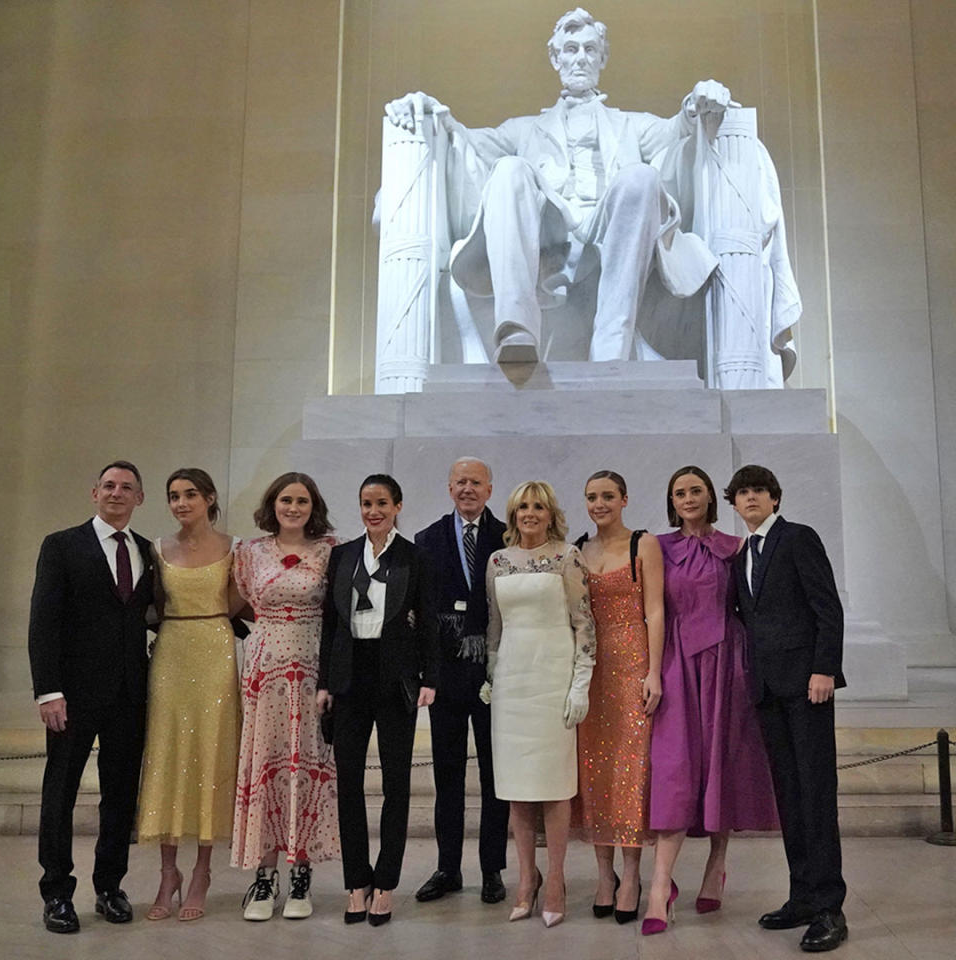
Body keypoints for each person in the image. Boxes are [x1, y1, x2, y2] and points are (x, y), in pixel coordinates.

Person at [384, 8, 732, 363]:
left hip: (610, 231)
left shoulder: (632, 125)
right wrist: (430, 114)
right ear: (555, 58)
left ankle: (611, 346)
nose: (580, 58)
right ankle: (516, 330)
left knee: (640, 176)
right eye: (570, 49)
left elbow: (677, 133)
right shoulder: (523, 130)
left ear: (603, 58)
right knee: (507, 169)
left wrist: (696, 105)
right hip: (548, 236)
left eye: (590, 49)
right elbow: (465, 141)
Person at [643, 466, 777, 936]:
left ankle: (716, 864)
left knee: (723, 764)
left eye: (696, 490)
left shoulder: (733, 548)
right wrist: (654, 670)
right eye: (679, 492)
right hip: (678, 664)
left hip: (727, 665)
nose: (688, 497)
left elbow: (752, 609)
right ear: (671, 500)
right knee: (676, 769)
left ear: (710, 497)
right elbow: (654, 610)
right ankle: (660, 886)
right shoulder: (656, 546)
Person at [28, 460, 154, 933]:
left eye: (126, 488)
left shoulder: (146, 551)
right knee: (59, 794)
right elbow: (43, 623)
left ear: (139, 499)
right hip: (72, 696)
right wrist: (49, 691)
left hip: (129, 696)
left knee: (120, 796)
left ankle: (109, 886)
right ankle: (57, 893)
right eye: (108, 485)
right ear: (93, 493)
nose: (116, 493)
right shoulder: (62, 545)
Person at [726, 465, 847, 953]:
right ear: (734, 504)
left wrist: (824, 670)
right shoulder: (741, 557)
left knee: (817, 797)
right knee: (791, 799)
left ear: (774, 498)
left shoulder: (799, 538)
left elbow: (827, 608)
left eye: (759, 490)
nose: (750, 498)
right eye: (742, 493)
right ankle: (801, 897)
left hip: (807, 687)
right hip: (768, 691)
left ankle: (829, 909)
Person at [318, 474, 439, 926]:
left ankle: (386, 882)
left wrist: (431, 677)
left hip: (395, 681)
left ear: (398, 506)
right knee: (347, 783)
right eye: (367, 503)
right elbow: (331, 624)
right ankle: (357, 881)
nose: (374, 511)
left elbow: (428, 621)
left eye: (382, 503)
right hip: (349, 679)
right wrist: (324, 683)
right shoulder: (343, 555)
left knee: (396, 785)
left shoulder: (416, 557)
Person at [485, 481, 595, 927]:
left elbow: (584, 624)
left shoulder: (568, 556)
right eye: (522, 506)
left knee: (553, 786)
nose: (530, 513)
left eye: (538, 506)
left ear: (551, 513)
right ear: (513, 514)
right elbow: (495, 627)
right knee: (516, 791)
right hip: (512, 683)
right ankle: (525, 881)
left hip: (553, 679)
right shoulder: (498, 561)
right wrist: (491, 676)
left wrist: (579, 685)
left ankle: (556, 882)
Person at [231, 472, 340, 920]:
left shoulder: (331, 550)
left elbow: (339, 615)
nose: (293, 508)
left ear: (313, 505)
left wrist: (334, 678)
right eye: (285, 500)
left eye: (301, 501)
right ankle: (263, 876)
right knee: (266, 765)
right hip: (265, 670)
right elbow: (239, 604)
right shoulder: (249, 553)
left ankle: (301, 874)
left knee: (305, 766)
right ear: (272, 504)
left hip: (313, 667)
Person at [136, 468, 241, 921]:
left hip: (216, 651)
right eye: (173, 496)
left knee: (210, 754)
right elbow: (150, 606)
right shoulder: (156, 549)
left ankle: (201, 871)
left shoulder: (235, 547)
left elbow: (239, 602)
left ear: (210, 498)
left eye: (190, 494)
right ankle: (167, 872)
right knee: (168, 754)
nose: (181, 503)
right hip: (172, 653)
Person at [413, 458, 509, 905]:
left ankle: (492, 869)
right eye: (460, 482)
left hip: (495, 670)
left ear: (490, 489)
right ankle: (447, 868)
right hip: (447, 674)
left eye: (476, 482)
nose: (468, 489)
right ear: (449, 488)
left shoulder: (508, 536)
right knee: (447, 775)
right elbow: (421, 613)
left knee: (495, 775)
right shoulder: (426, 540)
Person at [572, 470, 663, 924]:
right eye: (592, 497)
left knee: (631, 770)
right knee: (595, 771)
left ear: (625, 499)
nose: (599, 503)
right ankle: (603, 874)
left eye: (608, 496)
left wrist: (655, 672)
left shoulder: (642, 544)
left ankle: (631, 874)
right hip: (590, 671)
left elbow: (656, 610)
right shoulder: (578, 549)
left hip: (631, 667)